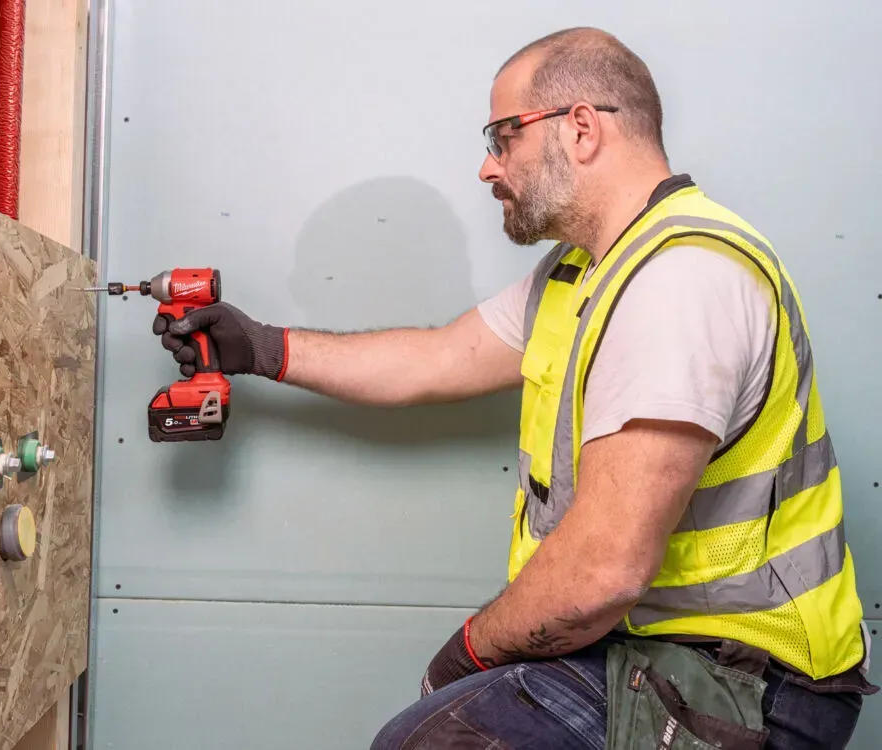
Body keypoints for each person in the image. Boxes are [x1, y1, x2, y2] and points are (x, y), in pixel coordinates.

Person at [156, 27, 875, 749]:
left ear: (582, 128)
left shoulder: (682, 279)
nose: (487, 167)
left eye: (504, 137)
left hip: (745, 680)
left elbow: (603, 569)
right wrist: (264, 348)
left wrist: (466, 654)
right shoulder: (581, 270)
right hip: (641, 648)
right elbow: (437, 359)